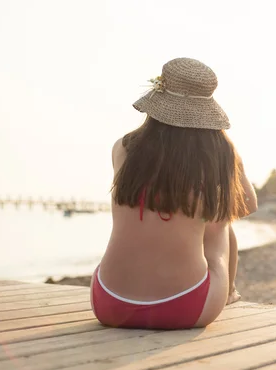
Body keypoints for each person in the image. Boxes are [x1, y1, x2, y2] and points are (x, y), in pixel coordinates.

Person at [90, 58, 257, 330]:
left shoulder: (123, 147)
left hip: (109, 303)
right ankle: (229, 294)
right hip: (185, 307)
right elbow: (246, 204)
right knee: (220, 222)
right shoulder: (221, 153)